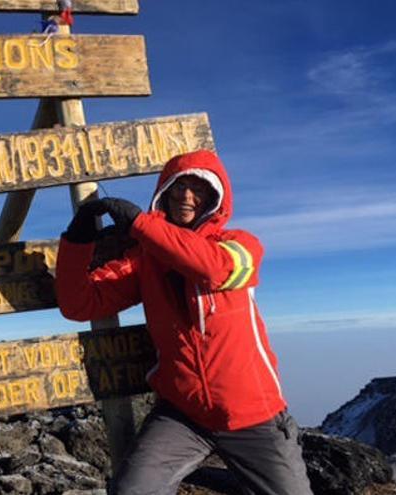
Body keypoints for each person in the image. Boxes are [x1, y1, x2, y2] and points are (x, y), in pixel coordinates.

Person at [55, 150, 313, 495]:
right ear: (164, 193)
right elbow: (79, 303)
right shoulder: (145, 261)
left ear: (215, 198)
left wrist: (140, 224)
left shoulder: (239, 245)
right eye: (178, 188)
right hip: (182, 414)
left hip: (254, 415)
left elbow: (213, 269)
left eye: (198, 189)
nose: (186, 197)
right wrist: (77, 240)